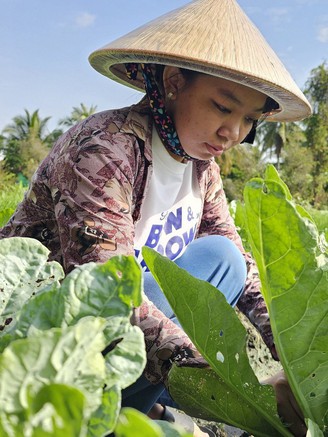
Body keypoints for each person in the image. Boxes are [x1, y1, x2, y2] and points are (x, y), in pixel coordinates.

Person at [0, 0, 311, 436]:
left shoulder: (202, 168)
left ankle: (142, 404)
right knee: (131, 287)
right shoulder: (104, 151)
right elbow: (108, 296)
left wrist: (302, 367)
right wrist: (244, 392)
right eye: (223, 107)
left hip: (128, 341)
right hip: (48, 348)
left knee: (223, 257)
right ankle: (101, 417)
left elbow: (241, 266)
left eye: (249, 120)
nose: (234, 133)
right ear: (173, 82)